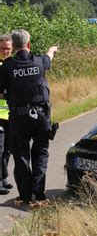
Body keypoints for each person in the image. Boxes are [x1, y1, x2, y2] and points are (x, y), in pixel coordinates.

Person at [0, 29, 59, 204]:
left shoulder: (8, 66)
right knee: (40, 154)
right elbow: (49, 56)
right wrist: (53, 49)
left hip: (19, 117)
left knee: (21, 156)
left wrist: (10, 95)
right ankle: (39, 193)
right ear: (29, 44)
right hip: (41, 116)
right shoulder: (39, 61)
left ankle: (25, 196)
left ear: (14, 46)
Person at [0, 34, 13, 195]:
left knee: (8, 149)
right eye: (2, 48)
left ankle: (3, 178)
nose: (5, 51)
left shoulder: (12, 64)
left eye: (8, 49)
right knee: (0, 148)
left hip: (11, 113)